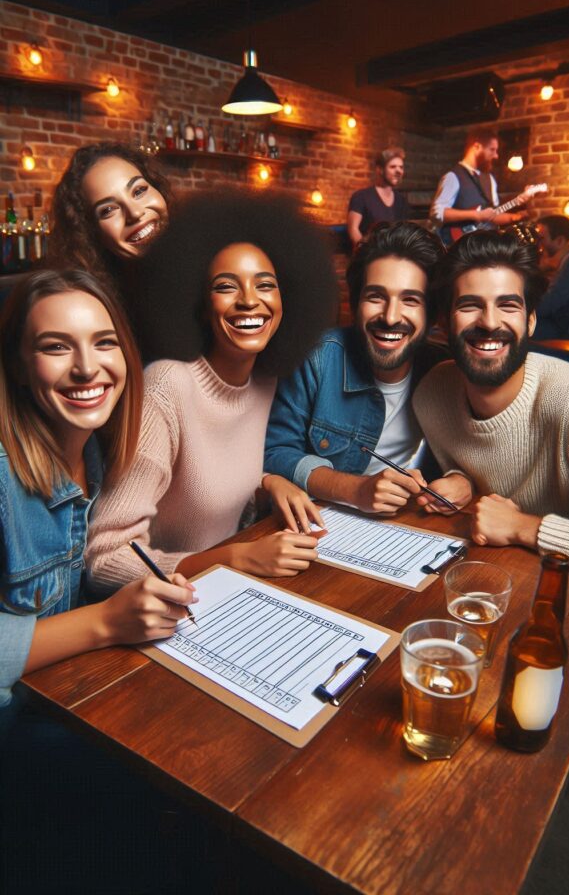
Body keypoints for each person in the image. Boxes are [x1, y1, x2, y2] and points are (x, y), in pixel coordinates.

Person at [0, 269, 199, 892]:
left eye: (104, 342)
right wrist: (107, 622)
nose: (87, 367)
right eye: (57, 346)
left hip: (63, 705)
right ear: (19, 365)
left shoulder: (91, 452)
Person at [86, 191, 338, 592]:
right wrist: (233, 559)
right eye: (226, 286)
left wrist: (269, 481)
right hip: (166, 612)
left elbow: (215, 474)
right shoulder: (167, 387)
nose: (249, 301)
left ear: (285, 300)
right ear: (201, 305)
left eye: (265, 285)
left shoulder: (264, 381)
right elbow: (103, 561)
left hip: (229, 598)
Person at [412, 231, 569, 570]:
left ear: (530, 320)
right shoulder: (430, 396)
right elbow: (491, 453)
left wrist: (525, 527)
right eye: (470, 305)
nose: (489, 322)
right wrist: (462, 478)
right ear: (444, 323)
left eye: (507, 305)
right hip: (488, 578)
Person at [264, 221, 450, 515]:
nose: (390, 317)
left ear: (433, 314)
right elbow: (274, 452)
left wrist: (458, 479)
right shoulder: (317, 358)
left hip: (403, 523)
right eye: (376, 296)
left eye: (410, 300)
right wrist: (356, 489)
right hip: (319, 522)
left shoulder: (443, 370)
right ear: (356, 302)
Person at [48, 142, 171, 333]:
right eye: (108, 210)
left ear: (158, 190)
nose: (135, 213)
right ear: (90, 233)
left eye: (139, 191)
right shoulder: (96, 312)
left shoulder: (213, 267)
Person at [430, 127, 529, 245]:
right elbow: (437, 213)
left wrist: (515, 217)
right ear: (477, 147)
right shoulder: (453, 176)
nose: (496, 155)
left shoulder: (490, 179)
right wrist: (476, 215)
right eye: (492, 150)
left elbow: (492, 215)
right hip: (457, 244)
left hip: (482, 245)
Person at [347, 147, 411, 249]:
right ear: (380, 170)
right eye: (393, 167)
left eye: (401, 167)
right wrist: (365, 252)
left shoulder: (401, 200)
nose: (398, 171)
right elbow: (353, 229)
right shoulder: (361, 197)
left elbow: (403, 232)